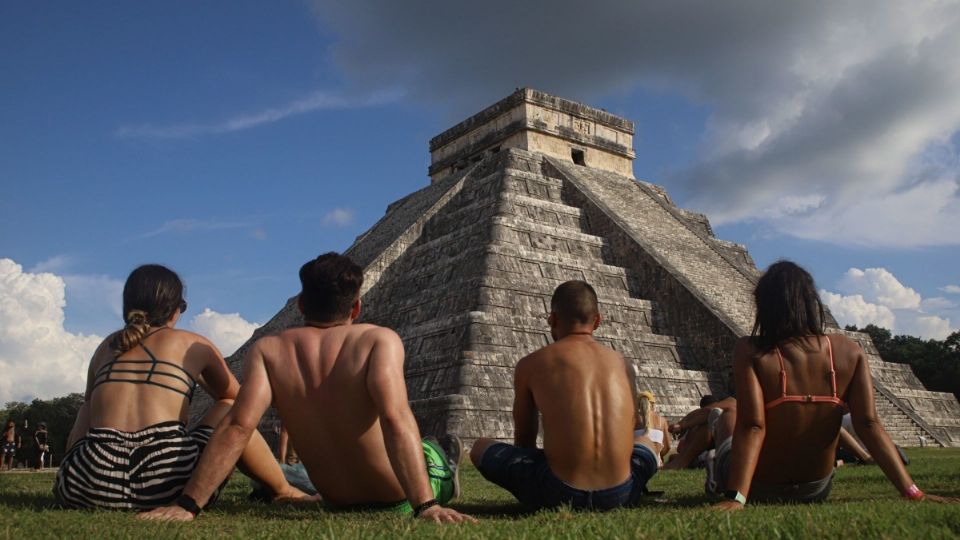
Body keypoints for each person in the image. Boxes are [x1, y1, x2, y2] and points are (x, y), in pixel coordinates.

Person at [140, 253, 475, 523]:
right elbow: (395, 419)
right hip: (399, 498)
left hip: (335, 500)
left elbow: (239, 426)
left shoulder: (268, 350)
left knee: (291, 474)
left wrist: (188, 504)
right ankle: (442, 457)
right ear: (355, 308)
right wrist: (426, 505)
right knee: (429, 449)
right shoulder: (377, 339)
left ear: (300, 305)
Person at [55, 264, 307, 510]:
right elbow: (238, 402)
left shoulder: (105, 347)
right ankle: (283, 490)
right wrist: (192, 375)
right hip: (164, 482)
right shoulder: (190, 343)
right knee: (231, 408)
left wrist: (71, 469)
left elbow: (86, 413)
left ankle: (70, 471)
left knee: (87, 405)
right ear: (175, 309)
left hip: (86, 483)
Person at [711, 260, 956, 509]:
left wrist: (737, 498)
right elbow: (869, 424)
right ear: (811, 301)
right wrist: (913, 492)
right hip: (815, 488)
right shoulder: (848, 351)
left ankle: (716, 470)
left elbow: (753, 425)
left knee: (727, 425)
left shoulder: (751, 349)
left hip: (759, 486)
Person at [469, 280, 656, 511]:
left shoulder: (531, 364)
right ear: (598, 321)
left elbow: (524, 444)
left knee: (479, 447)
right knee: (646, 441)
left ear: (553, 319)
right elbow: (629, 431)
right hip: (620, 493)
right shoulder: (623, 364)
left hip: (560, 492)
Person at [662, 397, 736, 471]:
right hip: (725, 453)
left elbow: (708, 410)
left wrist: (680, 425)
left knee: (706, 423)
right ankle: (680, 461)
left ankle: (680, 462)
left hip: (729, 454)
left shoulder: (732, 404)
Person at [633, 391, 671, 467]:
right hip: (656, 463)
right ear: (653, 404)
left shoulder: (633, 420)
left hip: (636, 463)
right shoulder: (662, 421)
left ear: (638, 405)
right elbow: (667, 447)